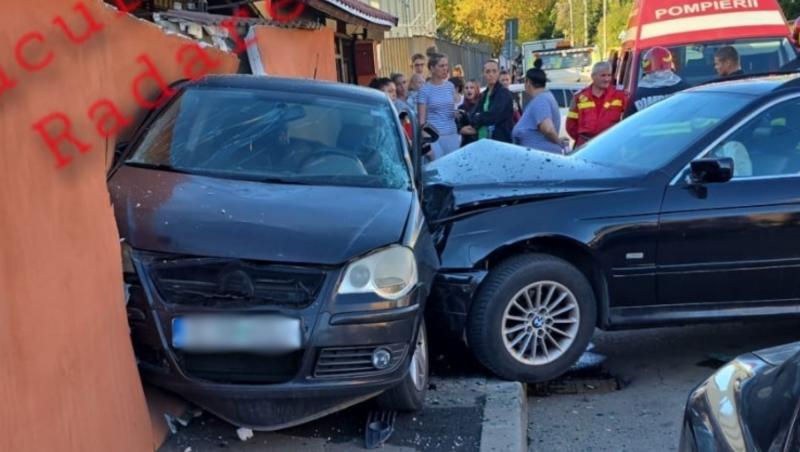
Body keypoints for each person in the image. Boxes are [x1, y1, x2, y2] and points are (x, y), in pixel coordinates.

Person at [566, 61, 627, 148]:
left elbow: (629, 118)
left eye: (609, 75)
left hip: (611, 143)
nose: (607, 79)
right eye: (603, 75)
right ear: (593, 76)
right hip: (586, 144)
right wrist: (583, 139)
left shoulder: (620, 95)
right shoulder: (580, 97)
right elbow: (571, 125)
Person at [624, 46, 690, 117]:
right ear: (670, 64)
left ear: (645, 67)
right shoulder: (687, 90)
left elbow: (628, 125)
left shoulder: (637, 97)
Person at [418, 53, 460, 159]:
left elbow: (451, 109)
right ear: (432, 68)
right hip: (434, 138)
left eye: (446, 65)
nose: (445, 68)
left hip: (452, 135)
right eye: (441, 66)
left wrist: (456, 114)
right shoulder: (424, 90)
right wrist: (427, 143)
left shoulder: (450, 86)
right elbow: (421, 122)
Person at [512, 68, 564, 154]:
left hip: (539, 156)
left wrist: (558, 142)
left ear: (528, 82)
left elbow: (548, 129)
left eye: (524, 81)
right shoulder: (544, 97)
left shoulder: (541, 100)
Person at [462, 60, 514, 143]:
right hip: (483, 139)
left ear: (498, 73)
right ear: (483, 74)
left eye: (494, 71)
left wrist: (478, 117)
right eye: (488, 71)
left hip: (500, 141)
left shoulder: (504, 93)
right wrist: (478, 118)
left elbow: (493, 116)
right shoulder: (484, 94)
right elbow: (472, 115)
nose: (491, 74)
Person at [457, 79, 481, 147]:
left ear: (476, 89)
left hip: (482, 143)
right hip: (467, 145)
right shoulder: (461, 108)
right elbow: (461, 129)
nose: (469, 90)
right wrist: (478, 130)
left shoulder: (482, 106)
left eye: (472, 87)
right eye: (466, 88)